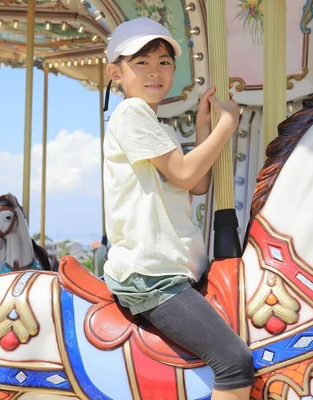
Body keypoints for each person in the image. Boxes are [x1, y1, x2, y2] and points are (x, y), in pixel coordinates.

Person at [102, 18, 254, 400]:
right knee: (234, 361)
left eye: (164, 62)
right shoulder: (131, 113)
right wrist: (227, 124)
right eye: (141, 62)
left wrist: (204, 129)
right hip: (151, 274)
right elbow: (186, 174)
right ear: (114, 73)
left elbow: (197, 184)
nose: (155, 71)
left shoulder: (157, 125)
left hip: (170, 267)